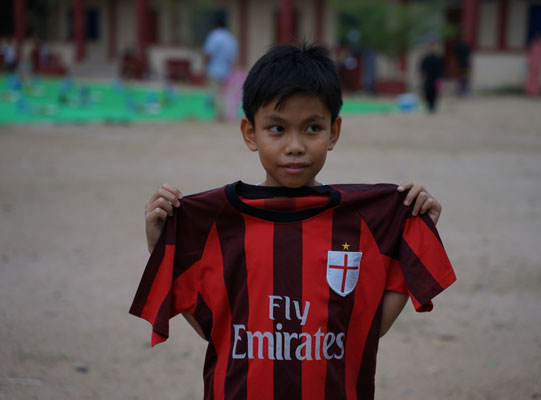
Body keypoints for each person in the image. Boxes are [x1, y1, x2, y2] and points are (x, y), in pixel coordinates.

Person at [130, 43, 456, 400]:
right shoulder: (217, 224)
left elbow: (369, 328)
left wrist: (418, 232)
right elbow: (216, 330)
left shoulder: (364, 221)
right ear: (250, 133)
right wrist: (159, 246)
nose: (295, 146)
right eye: (277, 129)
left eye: (312, 127)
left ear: (334, 132)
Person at [203, 15, 238, 122]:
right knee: (226, 93)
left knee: (216, 93)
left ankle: (221, 116)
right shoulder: (231, 38)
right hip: (227, 70)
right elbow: (234, 57)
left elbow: (208, 53)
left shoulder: (214, 35)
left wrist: (205, 65)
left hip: (214, 69)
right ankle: (228, 114)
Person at [419, 41, 445, 113]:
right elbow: (422, 67)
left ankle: (433, 106)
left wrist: (440, 77)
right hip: (428, 77)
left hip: (436, 77)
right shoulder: (426, 57)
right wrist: (422, 75)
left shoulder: (438, 58)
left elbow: (441, 68)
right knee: (427, 91)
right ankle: (429, 105)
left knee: (435, 92)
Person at [526, 32, 541, 97]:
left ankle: (536, 91)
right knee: (531, 77)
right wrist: (529, 61)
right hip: (532, 62)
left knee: (537, 77)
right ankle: (529, 91)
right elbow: (530, 52)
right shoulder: (533, 43)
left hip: (538, 62)